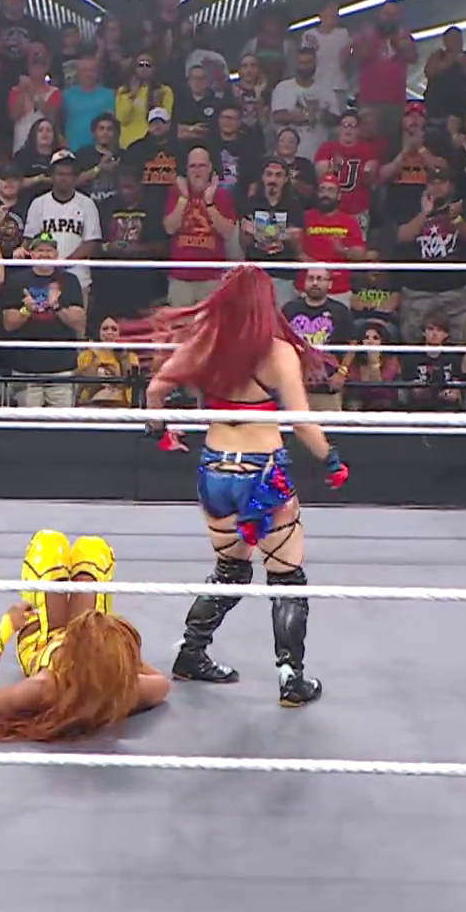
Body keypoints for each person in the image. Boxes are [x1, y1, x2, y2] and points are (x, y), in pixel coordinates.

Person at [141, 264, 349, 707]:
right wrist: (331, 459)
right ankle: (291, 679)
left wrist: (160, 431)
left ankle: (191, 653)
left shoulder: (204, 345)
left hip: (215, 470)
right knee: (286, 576)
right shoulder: (277, 353)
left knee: (231, 570)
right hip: (262, 472)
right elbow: (302, 422)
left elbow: (155, 390)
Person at [0, 531, 171, 741]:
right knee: (92, 550)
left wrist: (5, 629)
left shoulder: (45, 686)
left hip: (41, 646)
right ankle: (101, 639)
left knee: (48, 546)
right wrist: (119, 654)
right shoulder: (123, 690)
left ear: (71, 649)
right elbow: (163, 684)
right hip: (94, 656)